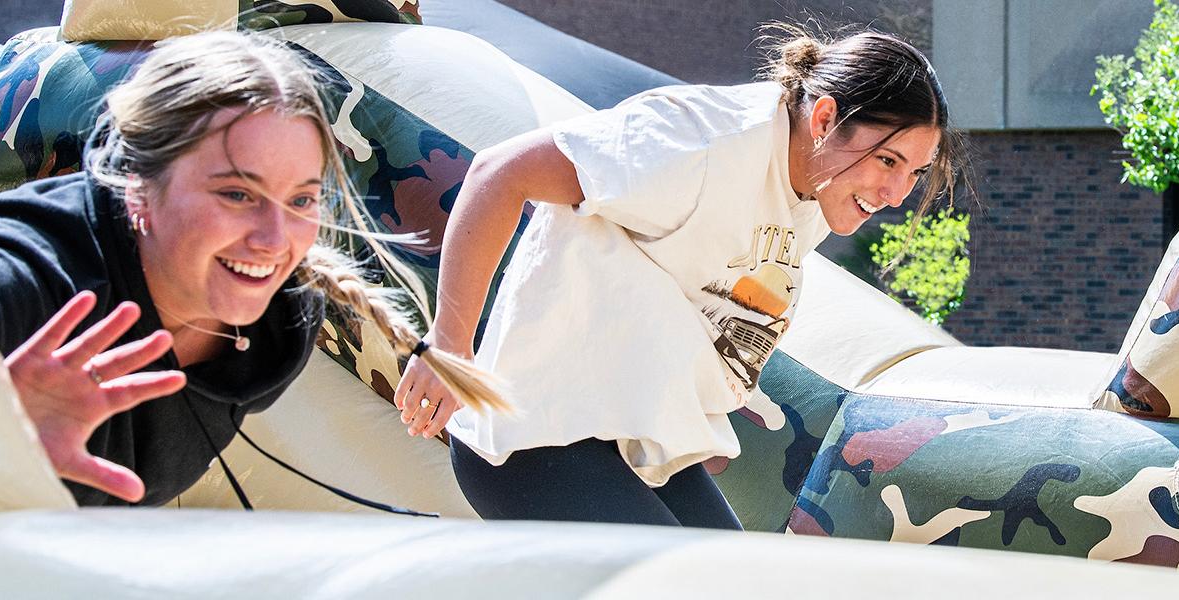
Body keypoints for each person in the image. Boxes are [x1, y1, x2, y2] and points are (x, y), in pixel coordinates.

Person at [394, 25, 960, 528]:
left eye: (914, 171)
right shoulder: (701, 143)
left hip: (629, 439)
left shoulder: (813, 188)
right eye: (888, 160)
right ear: (824, 118)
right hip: (534, 438)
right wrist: (449, 346)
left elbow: (697, 285)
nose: (896, 195)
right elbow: (500, 172)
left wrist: (694, 407)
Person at [0, 30, 501, 507]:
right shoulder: (9, 290)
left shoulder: (278, 319)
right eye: (236, 193)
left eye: (302, 200)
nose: (273, 241)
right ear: (139, 187)